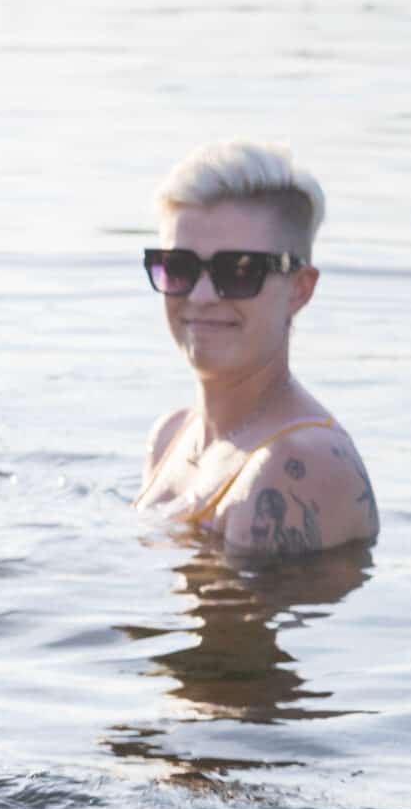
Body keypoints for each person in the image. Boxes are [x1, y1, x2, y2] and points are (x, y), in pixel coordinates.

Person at [134, 139, 379, 559]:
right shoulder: (172, 435)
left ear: (299, 289)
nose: (201, 296)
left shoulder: (293, 466)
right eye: (180, 268)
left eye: (239, 271)